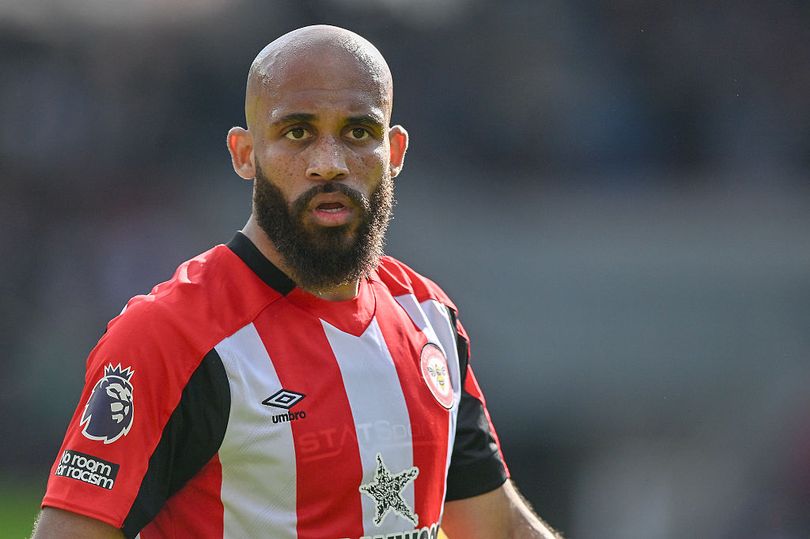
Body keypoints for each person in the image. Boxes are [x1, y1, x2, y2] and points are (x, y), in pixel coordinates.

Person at [32, 25, 562, 539]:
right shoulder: (171, 337)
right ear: (245, 154)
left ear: (395, 153)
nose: (328, 164)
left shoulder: (428, 317)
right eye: (297, 132)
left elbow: (500, 529)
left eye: (358, 132)